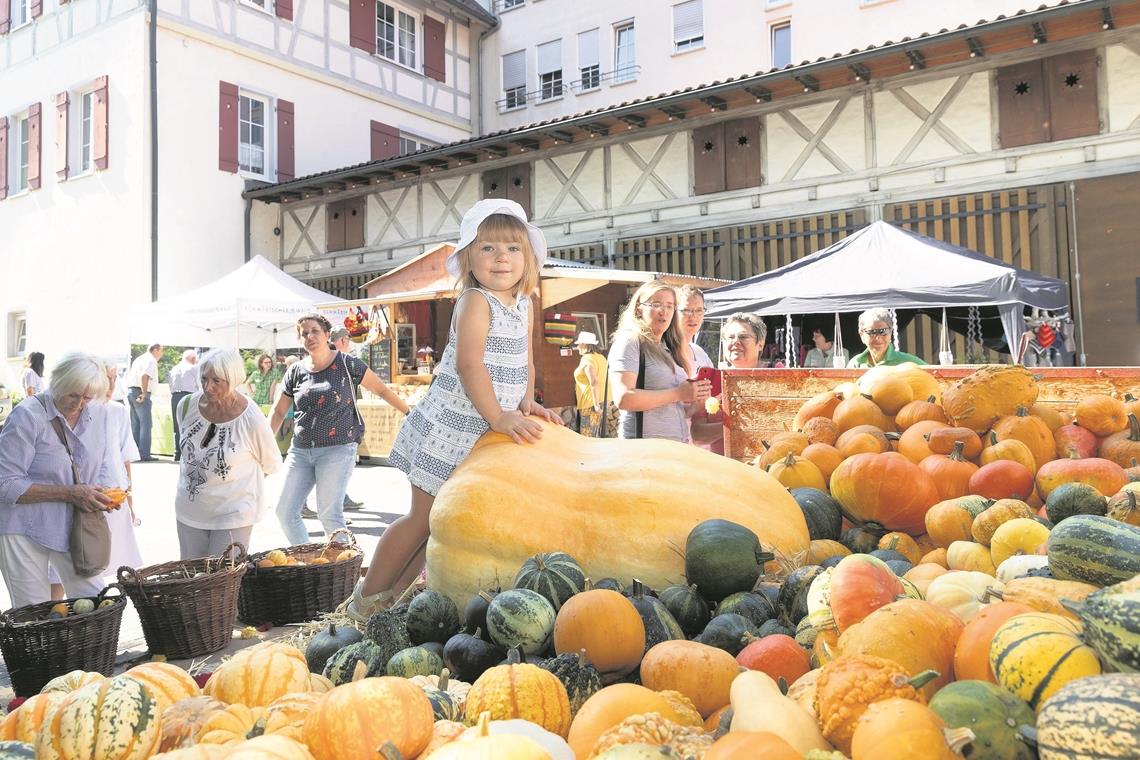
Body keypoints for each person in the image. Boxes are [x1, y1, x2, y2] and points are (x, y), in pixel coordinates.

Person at [345, 198, 563, 620]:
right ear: (468, 258)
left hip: (477, 433)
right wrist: (499, 416)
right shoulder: (476, 301)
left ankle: (393, 599)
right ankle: (364, 598)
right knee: (420, 519)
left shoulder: (524, 304)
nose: (502, 257)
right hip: (449, 428)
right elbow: (469, 364)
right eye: (488, 248)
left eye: (513, 248)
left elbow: (524, 360)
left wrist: (525, 400)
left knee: (439, 528)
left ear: (529, 258)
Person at [269, 315, 411, 546]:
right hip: (301, 451)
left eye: (315, 331)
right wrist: (262, 445)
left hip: (338, 449)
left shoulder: (347, 363)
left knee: (329, 515)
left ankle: (346, 569)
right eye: (304, 333)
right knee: (285, 512)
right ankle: (309, 562)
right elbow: (277, 412)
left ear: (327, 335)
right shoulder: (295, 371)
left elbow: (382, 390)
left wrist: (408, 412)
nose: (310, 337)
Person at [0, 352, 114, 607]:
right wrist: (69, 493)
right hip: (23, 527)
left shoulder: (97, 412)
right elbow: (5, 483)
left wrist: (105, 493)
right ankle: (42, 648)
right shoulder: (27, 416)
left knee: (95, 602)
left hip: (77, 524)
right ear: (57, 382)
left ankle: (90, 649)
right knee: (33, 614)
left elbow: (102, 462)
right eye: (73, 395)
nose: (79, 404)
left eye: (86, 397)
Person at [175, 349, 281, 558]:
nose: (208, 387)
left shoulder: (250, 417)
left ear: (233, 380)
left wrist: (237, 488)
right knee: (191, 582)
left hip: (233, 515)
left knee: (222, 582)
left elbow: (271, 463)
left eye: (217, 381)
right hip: (190, 512)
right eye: (204, 379)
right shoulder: (186, 406)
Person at [608, 281, 711, 443]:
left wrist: (695, 404)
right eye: (656, 304)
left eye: (670, 306)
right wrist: (678, 393)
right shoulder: (631, 341)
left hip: (674, 448)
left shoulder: (668, 347)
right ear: (639, 308)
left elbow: (670, 408)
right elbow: (623, 398)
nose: (664, 311)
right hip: (645, 451)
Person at [99, 358, 142, 575]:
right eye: (107, 379)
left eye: (115, 379)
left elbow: (125, 456)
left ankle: (110, 608)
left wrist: (130, 500)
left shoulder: (118, 411)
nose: (112, 385)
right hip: (87, 497)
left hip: (115, 496)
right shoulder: (77, 411)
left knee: (118, 561)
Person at [676, 286, 723, 452]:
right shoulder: (664, 352)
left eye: (698, 310)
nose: (693, 317)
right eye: (686, 310)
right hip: (671, 440)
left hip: (698, 446)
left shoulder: (699, 352)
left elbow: (712, 396)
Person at [325, 328, 365, 511]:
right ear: (341, 341)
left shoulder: (335, 359)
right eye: (348, 339)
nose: (349, 343)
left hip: (336, 420)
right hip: (336, 422)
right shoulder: (338, 360)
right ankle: (336, 505)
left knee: (332, 466)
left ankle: (341, 498)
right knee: (335, 465)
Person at [847, 308, 926, 367]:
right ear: (861, 335)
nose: (878, 338)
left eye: (883, 331)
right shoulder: (855, 364)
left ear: (891, 332)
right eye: (872, 332)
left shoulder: (909, 363)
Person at [126, 343, 164, 461]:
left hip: (132, 391)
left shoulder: (140, 359)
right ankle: (144, 454)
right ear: (156, 350)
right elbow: (144, 375)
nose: (162, 354)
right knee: (146, 424)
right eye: (161, 351)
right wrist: (144, 393)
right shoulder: (151, 360)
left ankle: (135, 454)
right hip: (140, 392)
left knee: (136, 424)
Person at [572, 332, 608, 437]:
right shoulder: (601, 357)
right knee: (599, 437)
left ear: (584, 344)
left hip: (591, 404)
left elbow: (594, 381)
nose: (577, 346)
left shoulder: (586, 359)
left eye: (579, 344)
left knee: (588, 437)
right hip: (605, 401)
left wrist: (596, 405)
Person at [168, 349, 200, 463]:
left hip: (175, 396)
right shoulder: (194, 368)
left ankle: (177, 453)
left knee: (177, 426)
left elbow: (170, 384)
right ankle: (188, 453)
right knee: (191, 425)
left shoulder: (174, 368)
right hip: (189, 396)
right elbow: (199, 385)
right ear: (193, 359)